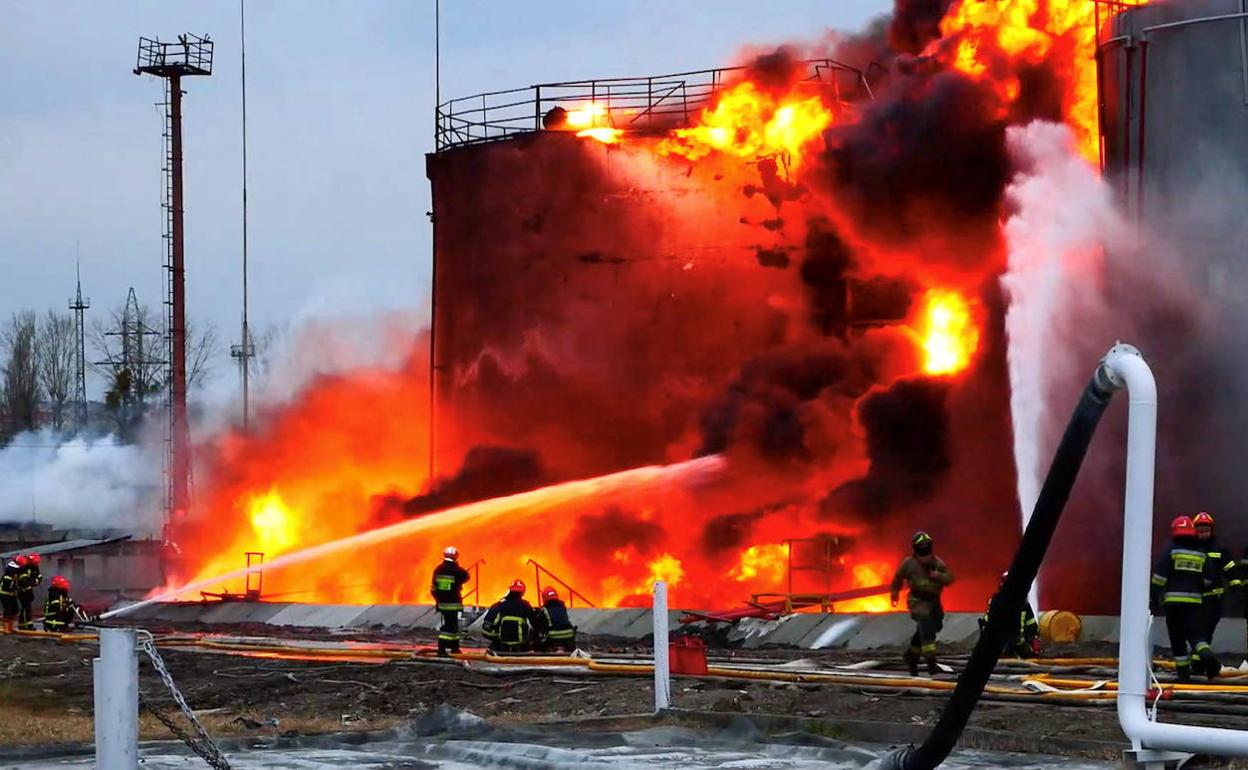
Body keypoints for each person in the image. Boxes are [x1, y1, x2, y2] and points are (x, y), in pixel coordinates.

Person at [1152, 515, 1219, 681]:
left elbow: (1159, 577)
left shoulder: (1172, 550)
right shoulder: (1202, 553)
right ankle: (1207, 653)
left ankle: (1183, 675)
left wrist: (1154, 596)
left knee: (1177, 637)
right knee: (1196, 634)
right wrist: (1197, 585)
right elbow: (1209, 580)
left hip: (1173, 602)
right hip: (1195, 601)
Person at [890, 531, 954, 676]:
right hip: (918, 601)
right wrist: (894, 594)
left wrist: (939, 576)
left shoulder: (937, 562)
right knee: (927, 630)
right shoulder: (909, 563)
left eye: (927, 545)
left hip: (934, 601)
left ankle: (911, 657)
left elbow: (950, 578)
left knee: (936, 625)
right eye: (922, 546)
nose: (925, 548)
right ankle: (931, 663)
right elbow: (898, 578)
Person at [1192, 512, 1228, 672]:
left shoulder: (1219, 549)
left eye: (1206, 530)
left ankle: (1198, 664)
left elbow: (1229, 568)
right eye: (1200, 531)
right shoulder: (1191, 549)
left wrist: (1236, 586)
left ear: (1211, 530)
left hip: (1214, 600)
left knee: (1206, 634)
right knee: (1198, 633)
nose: (1203, 534)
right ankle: (1200, 664)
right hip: (1195, 600)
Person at [978, 572, 1041, 658]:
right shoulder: (1000, 602)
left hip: (1015, 644)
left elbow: (1031, 625)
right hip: (1005, 645)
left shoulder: (1022, 604)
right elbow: (987, 622)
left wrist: (1034, 640)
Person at [430, 546, 470, 656]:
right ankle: (442, 649)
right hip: (454, 603)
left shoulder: (438, 569)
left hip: (442, 603)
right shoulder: (456, 570)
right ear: (456, 556)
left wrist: (438, 600)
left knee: (451, 625)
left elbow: (433, 589)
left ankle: (454, 648)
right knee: (450, 626)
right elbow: (466, 576)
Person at [482, 579, 536, 654]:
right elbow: (536, 623)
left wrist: (496, 639)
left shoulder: (499, 604)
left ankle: (496, 646)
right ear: (522, 592)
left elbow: (486, 627)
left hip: (502, 642)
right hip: (521, 644)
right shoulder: (525, 605)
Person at [534, 586, 577, 652]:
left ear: (544, 598)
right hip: (569, 634)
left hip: (553, 636)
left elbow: (539, 624)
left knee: (538, 642)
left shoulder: (544, 609)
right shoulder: (562, 606)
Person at [17, 553, 42, 631]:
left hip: (29, 590)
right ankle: (23, 625)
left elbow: (39, 577)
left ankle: (28, 625)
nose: (36, 564)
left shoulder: (35, 567)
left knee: (28, 608)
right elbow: (24, 581)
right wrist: (33, 581)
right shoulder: (24, 566)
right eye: (35, 563)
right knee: (24, 608)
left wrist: (34, 581)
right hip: (22, 591)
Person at [0, 556, 25, 634]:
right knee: (8, 610)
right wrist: (18, 587)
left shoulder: (14, 572)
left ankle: (11, 627)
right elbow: (10, 586)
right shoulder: (10, 574)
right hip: (5, 594)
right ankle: (6, 628)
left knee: (15, 609)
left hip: (11, 594)